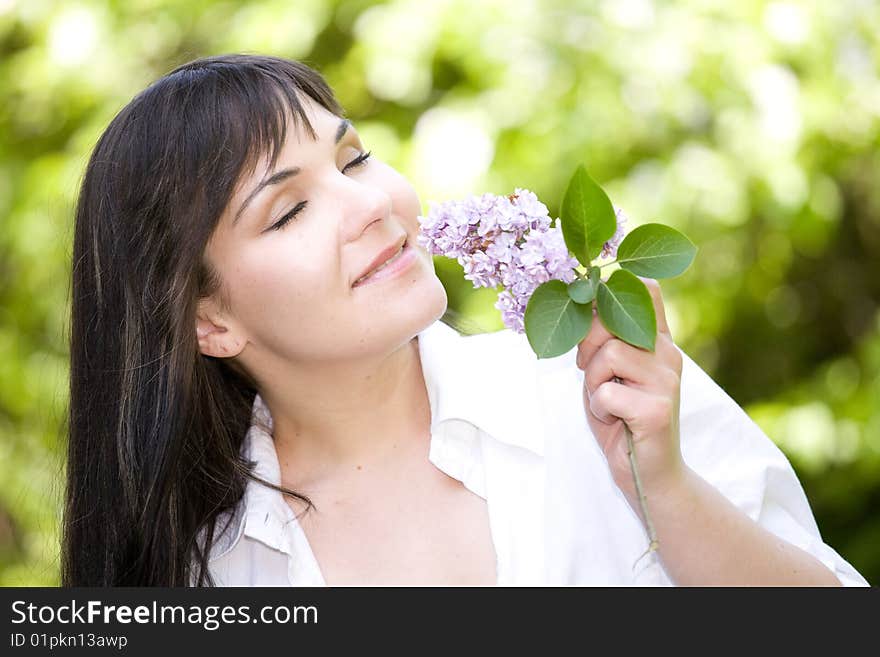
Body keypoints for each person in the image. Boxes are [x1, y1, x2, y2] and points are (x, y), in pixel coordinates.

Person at [63, 54, 868, 586]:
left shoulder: (593, 391)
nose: (373, 205)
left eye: (355, 159)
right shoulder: (214, 572)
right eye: (289, 211)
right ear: (210, 322)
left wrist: (664, 485)